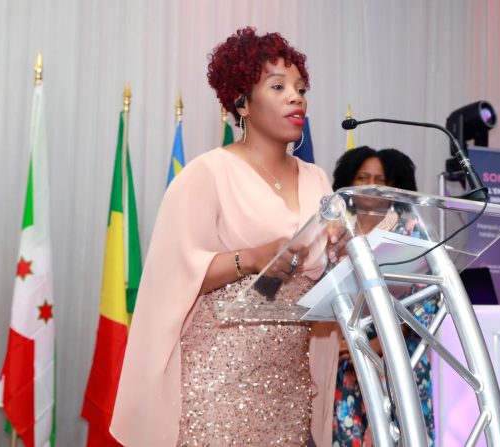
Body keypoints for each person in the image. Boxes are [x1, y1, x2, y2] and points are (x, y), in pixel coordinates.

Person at [110, 27, 338, 446]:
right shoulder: (208, 173)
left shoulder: (318, 179)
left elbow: (324, 275)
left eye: (301, 88)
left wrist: (348, 249)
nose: (296, 97)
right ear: (242, 102)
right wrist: (249, 259)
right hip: (219, 387)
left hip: (291, 387)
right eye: (278, 86)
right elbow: (171, 276)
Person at [330, 146, 436, 446]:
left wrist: (377, 345)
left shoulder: (410, 231)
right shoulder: (336, 231)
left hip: (399, 358)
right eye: (362, 177)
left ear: (395, 187)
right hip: (346, 359)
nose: (371, 185)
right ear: (348, 182)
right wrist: (341, 343)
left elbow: (425, 299)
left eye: (381, 179)